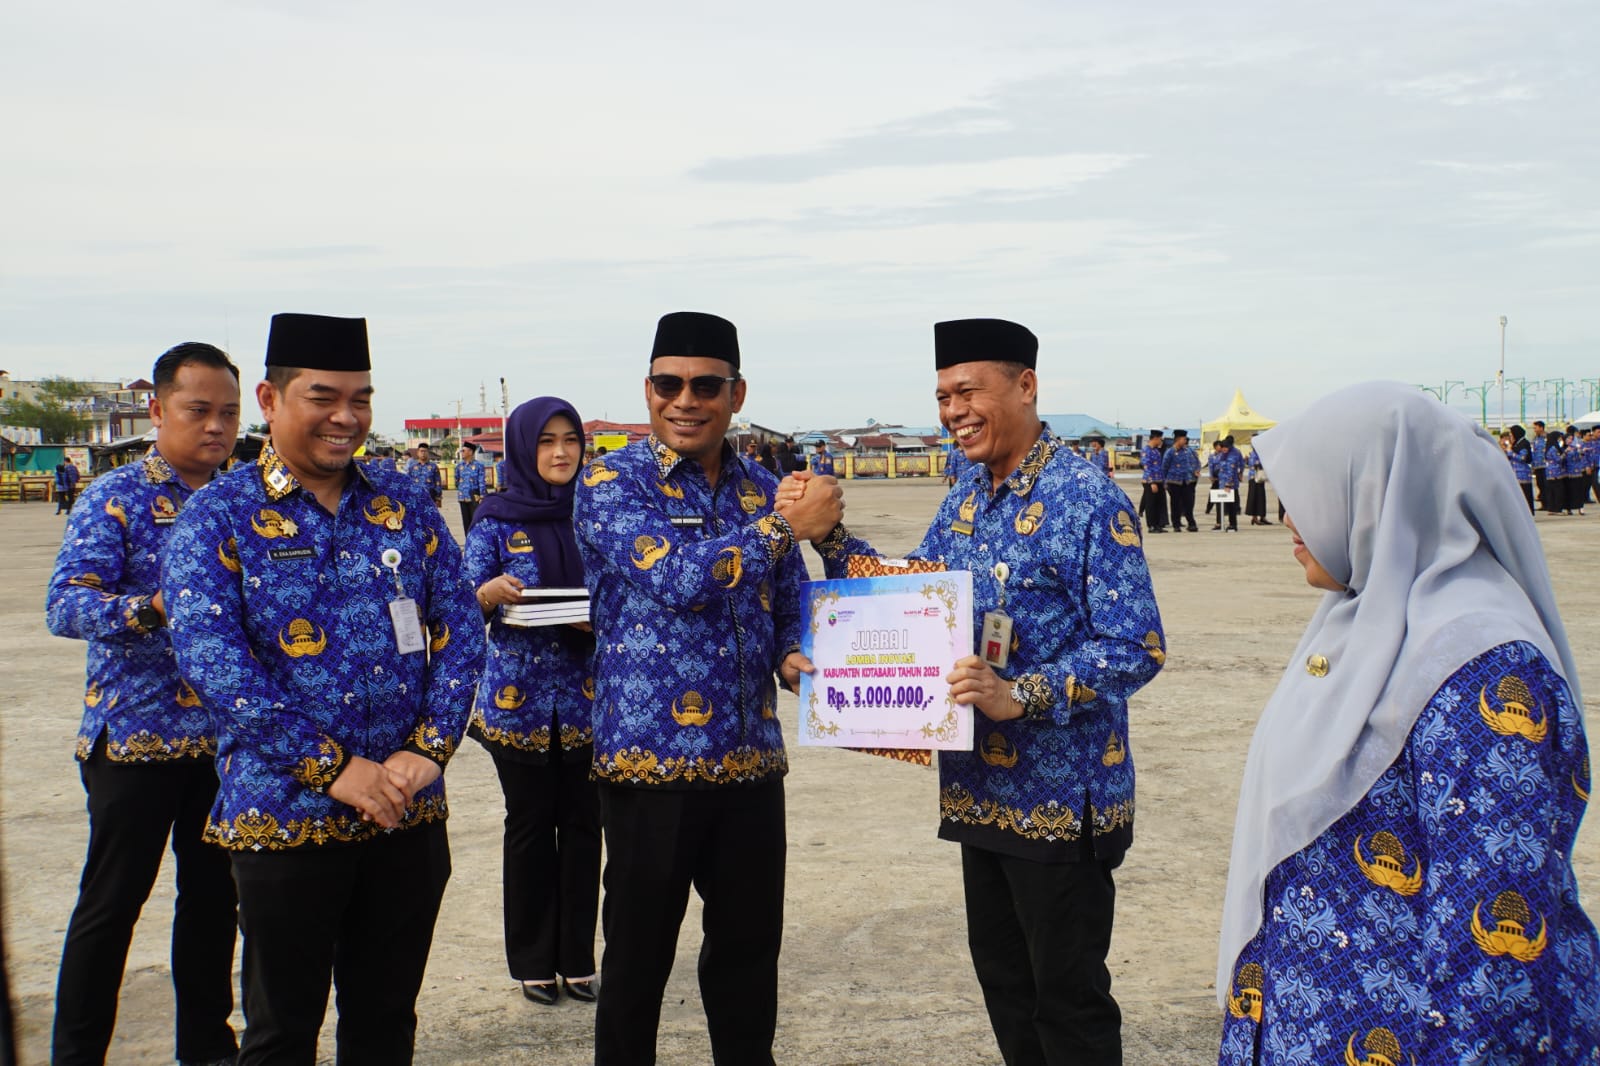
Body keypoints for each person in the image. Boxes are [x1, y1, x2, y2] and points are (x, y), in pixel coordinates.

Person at [806, 318, 1165, 1066]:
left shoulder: (1087, 498)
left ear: (1026, 386)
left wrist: (1019, 694)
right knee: (1006, 987)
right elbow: (914, 594)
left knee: (1067, 1001)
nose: (953, 411)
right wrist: (830, 535)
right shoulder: (966, 493)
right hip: (978, 793)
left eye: (968, 392)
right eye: (943, 397)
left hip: (1064, 799)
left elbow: (1137, 646)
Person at [1216, 381, 1599, 1065]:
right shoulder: (1360, 623)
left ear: (1376, 495)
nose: (1288, 518)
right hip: (1316, 1019)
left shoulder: (1482, 668)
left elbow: (1496, 964)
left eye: (1309, 493)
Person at [161, 313, 485, 1065]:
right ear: (270, 400)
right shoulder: (218, 515)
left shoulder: (404, 504)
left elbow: (460, 631)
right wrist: (333, 768)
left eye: (360, 399)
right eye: (324, 398)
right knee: (281, 1032)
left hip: (406, 811)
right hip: (284, 819)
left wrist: (428, 751)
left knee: (385, 1023)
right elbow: (214, 664)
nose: (347, 417)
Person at [574, 311, 842, 1065]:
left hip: (750, 762)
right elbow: (677, 577)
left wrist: (793, 655)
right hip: (648, 766)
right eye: (668, 384)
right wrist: (785, 527)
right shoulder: (610, 480)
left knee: (749, 958)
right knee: (637, 961)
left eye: (704, 386)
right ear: (648, 390)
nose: (684, 401)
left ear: (736, 393)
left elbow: (787, 599)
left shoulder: (762, 486)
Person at [46, 342, 243, 1066]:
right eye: (199, 411)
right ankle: (77, 1053)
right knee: (111, 905)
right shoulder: (117, 496)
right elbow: (66, 605)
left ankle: (208, 1047)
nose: (216, 427)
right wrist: (150, 609)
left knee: (214, 902)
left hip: (222, 741)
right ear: (158, 410)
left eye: (229, 413)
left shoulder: (243, 501)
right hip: (135, 737)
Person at [465, 397, 601, 1007]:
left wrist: (599, 617)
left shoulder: (598, 513)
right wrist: (490, 593)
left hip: (589, 700)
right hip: (516, 703)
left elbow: (631, 591)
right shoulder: (495, 519)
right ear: (523, 447)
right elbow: (457, 607)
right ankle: (532, 963)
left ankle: (577, 959)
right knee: (528, 827)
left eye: (570, 440)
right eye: (546, 441)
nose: (561, 452)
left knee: (584, 828)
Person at [1162, 429, 1201, 532]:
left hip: (1187, 481)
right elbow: (1164, 467)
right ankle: (1176, 524)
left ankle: (1191, 524)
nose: (1185, 441)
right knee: (1175, 504)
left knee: (1189, 503)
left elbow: (1196, 462)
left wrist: (1196, 470)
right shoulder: (1170, 452)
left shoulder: (1188, 451)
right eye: (1184, 439)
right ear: (1178, 440)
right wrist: (1164, 482)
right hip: (1174, 482)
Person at [1138, 429, 1168, 533]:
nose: (1161, 441)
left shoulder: (1156, 451)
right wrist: (1152, 482)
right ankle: (1151, 525)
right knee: (1151, 504)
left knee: (1159, 504)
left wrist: (1163, 482)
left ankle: (1158, 524)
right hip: (1150, 482)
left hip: (1159, 480)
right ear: (1155, 438)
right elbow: (1147, 467)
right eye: (1160, 439)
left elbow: (1160, 468)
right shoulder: (1146, 450)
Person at [1211, 436, 1243, 531]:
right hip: (1222, 482)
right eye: (1223, 447)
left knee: (1231, 505)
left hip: (1229, 485)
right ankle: (1220, 523)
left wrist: (1228, 484)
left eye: (1226, 447)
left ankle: (1232, 524)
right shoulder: (1223, 454)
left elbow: (1230, 471)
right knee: (1221, 503)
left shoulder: (1232, 455)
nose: (1224, 449)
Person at [455, 441, 486, 531]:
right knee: (466, 522)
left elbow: (481, 482)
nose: (462, 453)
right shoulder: (459, 466)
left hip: (475, 497)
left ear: (470, 452)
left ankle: (476, 538)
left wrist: (482, 496)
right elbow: (456, 480)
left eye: (463, 451)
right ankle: (467, 538)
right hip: (462, 497)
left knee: (475, 521)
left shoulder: (478, 466)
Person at [1507, 424, 1535, 513]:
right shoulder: (1516, 443)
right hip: (1516, 473)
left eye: (1511, 434)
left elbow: (1523, 458)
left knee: (1525, 494)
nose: (1510, 436)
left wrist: (1510, 452)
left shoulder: (1523, 444)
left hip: (1523, 474)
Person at [408, 441, 444, 508]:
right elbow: (408, 483)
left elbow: (438, 483)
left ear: (428, 453)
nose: (423, 453)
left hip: (430, 498)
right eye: (421, 451)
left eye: (425, 451)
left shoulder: (433, 467)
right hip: (416, 498)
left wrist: (438, 498)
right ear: (417, 452)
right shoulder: (412, 467)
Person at [1242, 446, 1271, 525]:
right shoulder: (1253, 454)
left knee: (1261, 498)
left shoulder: (1260, 453)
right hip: (1254, 478)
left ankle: (1262, 516)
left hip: (1260, 478)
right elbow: (1254, 465)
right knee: (1254, 498)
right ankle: (1254, 517)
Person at [1530, 420, 1548, 507]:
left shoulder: (1547, 438)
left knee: (1546, 485)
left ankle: (1548, 503)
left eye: (1535, 428)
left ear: (1541, 428)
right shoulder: (1535, 439)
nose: (1534, 430)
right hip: (1537, 465)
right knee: (1539, 484)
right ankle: (1543, 503)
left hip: (1545, 465)